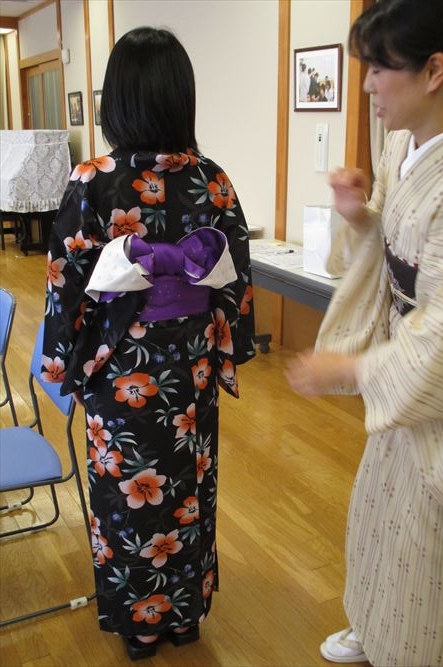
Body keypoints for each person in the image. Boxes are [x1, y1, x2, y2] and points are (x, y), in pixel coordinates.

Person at [286, 1, 443, 665]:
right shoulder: (402, 144)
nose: (368, 84)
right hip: (399, 364)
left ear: (434, 71)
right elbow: (392, 245)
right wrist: (359, 215)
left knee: (432, 549)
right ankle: (374, 627)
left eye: (381, 69)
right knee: (378, 518)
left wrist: (348, 368)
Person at [43, 26, 256, 661]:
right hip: (189, 369)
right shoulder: (213, 180)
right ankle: (185, 615)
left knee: (129, 493)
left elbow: (66, 278)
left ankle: (141, 624)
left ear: (118, 102)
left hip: (121, 369)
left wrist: (64, 358)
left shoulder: (93, 180)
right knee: (188, 487)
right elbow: (236, 274)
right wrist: (227, 345)